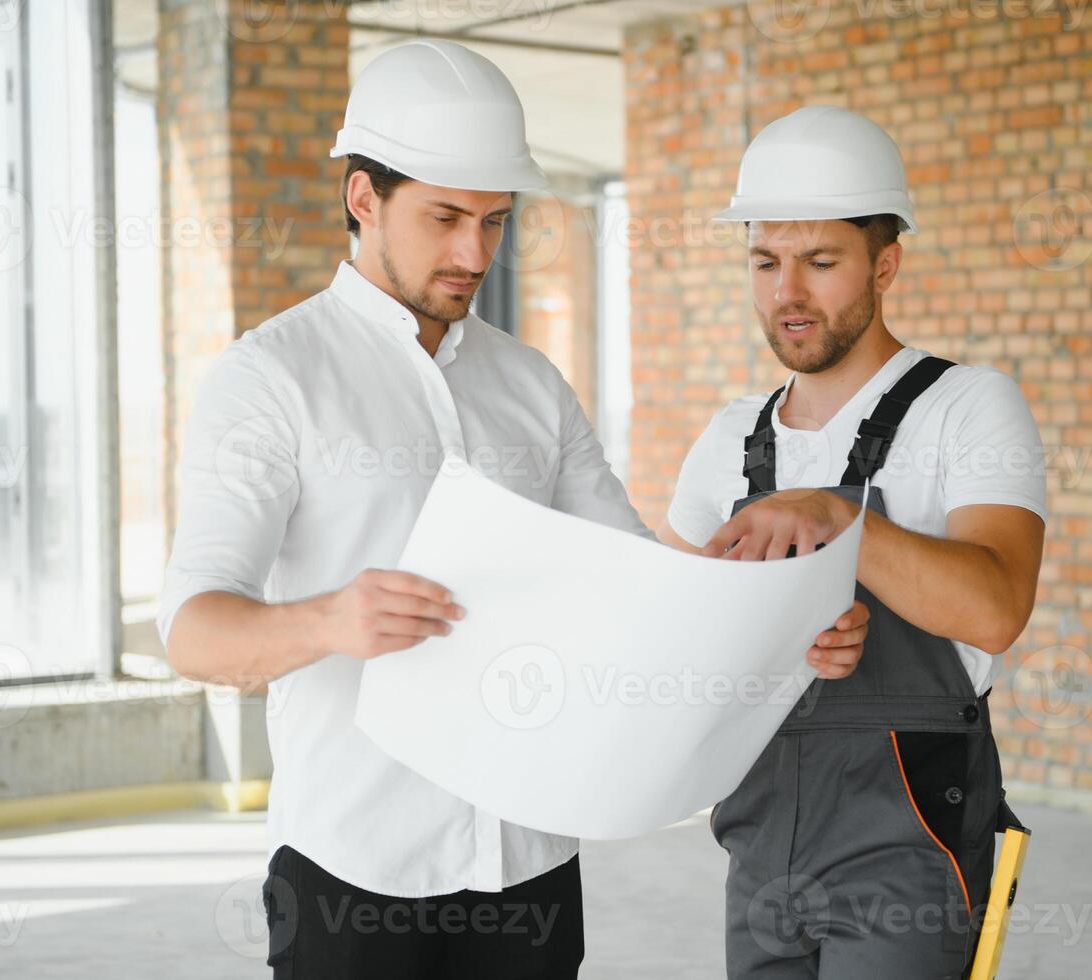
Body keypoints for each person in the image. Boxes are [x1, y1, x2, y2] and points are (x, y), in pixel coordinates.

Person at [158, 41, 867, 979]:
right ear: (362, 198)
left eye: (494, 221)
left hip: (530, 867)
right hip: (352, 871)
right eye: (444, 216)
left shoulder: (528, 382)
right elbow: (192, 629)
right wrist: (330, 618)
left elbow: (640, 583)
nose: (473, 254)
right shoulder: (271, 379)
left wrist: (788, 623)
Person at [657, 106, 1048, 978]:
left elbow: (994, 609)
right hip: (759, 853)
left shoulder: (967, 408)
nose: (786, 293)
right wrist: (773, 636)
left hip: (905, 857)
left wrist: (839, 523)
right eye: (764, 262)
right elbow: (671, 637)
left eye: (820, 262)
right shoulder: (727, 439)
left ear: (886, 263)